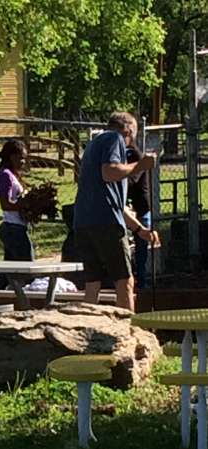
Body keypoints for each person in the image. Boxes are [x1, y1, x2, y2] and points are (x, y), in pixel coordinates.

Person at [73, 112, 159, 311]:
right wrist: (140, 165)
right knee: (125, 282)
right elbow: (110, 172)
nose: (131, 143)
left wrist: (140, 230)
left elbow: (114, 202)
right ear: (128, 129)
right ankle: (127, 334)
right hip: (107, 224)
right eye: (133, 136)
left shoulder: (94, 144)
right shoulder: (115, 138)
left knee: (93, 284)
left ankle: (83, 328)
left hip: (83, 223)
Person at [0, 139, 33, 290]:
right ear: (11, 156)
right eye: (20, 157)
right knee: (28, 271)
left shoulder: (12, 175)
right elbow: (5, 204)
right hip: (13, 230)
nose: (23, 161)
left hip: (17, 228)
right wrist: (26, 205)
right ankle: (27, 304)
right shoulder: (5, 175)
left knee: (8, 273)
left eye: (25, 158)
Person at [127, 143, 151, 289]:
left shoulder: (135, 155)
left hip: (140, 207)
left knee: (142, 245)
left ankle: (141, 281)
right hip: (125, 207)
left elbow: (131, 180)